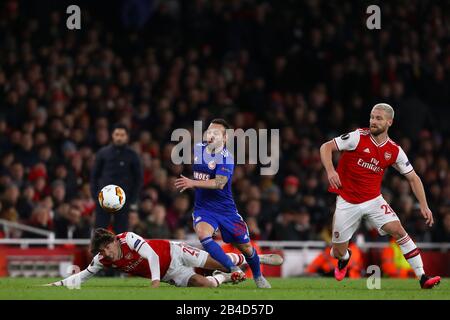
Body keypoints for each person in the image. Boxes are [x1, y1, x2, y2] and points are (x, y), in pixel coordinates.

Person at [319, 103, 440, 289]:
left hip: (373, 200)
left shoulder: (394, 150)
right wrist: (330, 171)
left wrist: (424, 205)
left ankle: (423, 277)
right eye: (372, 117)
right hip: (347, 201)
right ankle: (344, 258)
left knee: (399, 231)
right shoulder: (357, 137)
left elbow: (413, 178)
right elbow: (325, 147)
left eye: (378, 118)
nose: (373, 122)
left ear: (389, 122)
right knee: (337, 251)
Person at [174, 119, 271, 288]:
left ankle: (258, 276)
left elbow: (218, 183)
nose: (211, 135)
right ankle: (233, 267)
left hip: (226, 210)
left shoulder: (226, 159)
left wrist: (193, 183)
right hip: (203, 208)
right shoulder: (198, 148)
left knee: (246, 248)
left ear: (225, 139)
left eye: (216, 133)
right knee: (203, 235)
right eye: (209, 131)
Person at [44, 228, 282, 288]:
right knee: (204, 284)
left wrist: (154, 280)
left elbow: (150, 254)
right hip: (172, 273)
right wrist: (52, 285)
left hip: (174, 251)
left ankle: (255, 259)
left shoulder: (127, 238)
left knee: (219, 261)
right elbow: (83, 277)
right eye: (100, 252)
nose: (103, 254)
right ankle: (224, 279)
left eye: (105, 249)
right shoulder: (103, 259)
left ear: (113, 241)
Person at [90, 124, 143, 233]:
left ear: (127, 137)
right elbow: (94, 176)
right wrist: (95, 195)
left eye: (122, 135)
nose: (119, 137)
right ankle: (99, 250)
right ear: (112, 136)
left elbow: (138, 179)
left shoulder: (132, 155)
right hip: (103, 198)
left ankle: (120, 250)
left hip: (123, 199)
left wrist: (132, 199)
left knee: (121, 232)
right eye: (117, 134)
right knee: (100, 230)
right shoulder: (103, 153)